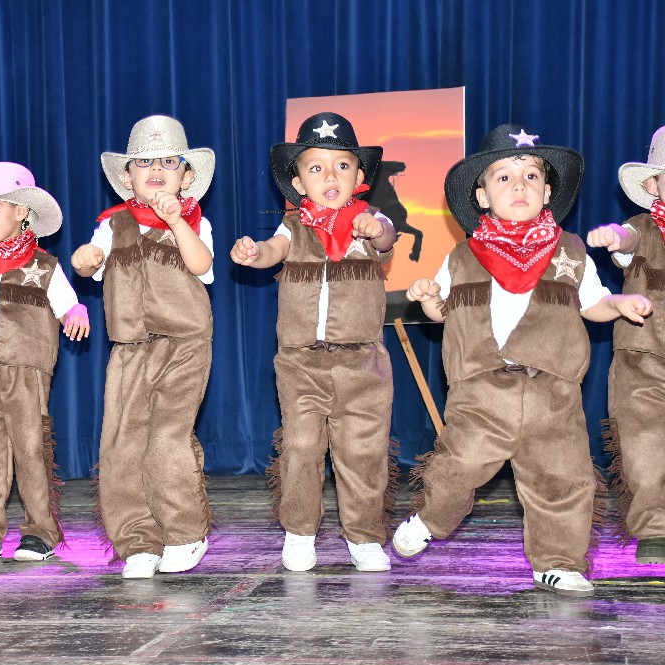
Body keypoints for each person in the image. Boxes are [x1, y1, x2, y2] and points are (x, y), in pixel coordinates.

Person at [396, 124, 653, 596]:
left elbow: (592, 304)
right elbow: (441, 313)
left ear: (548, 191)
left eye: (532, 176)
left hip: (553, 391)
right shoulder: (462, 255)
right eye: (504, 177)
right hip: (482, 388)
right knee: (458, 465)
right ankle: (431, 518)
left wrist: (619, 304)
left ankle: (557, 561)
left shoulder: (570, 251)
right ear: (482, 196)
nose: (520, 186)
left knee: (564, 478)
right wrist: (428, 297)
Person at [231, 111, 398, 573]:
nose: (330, 177)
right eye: (316, 167)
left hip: (362, 363)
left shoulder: (370, 219)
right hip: (301, 363)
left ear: (359, 178)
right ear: (298, 182)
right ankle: (300, 531)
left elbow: (387, 238)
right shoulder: (293, 226)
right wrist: (254, 253)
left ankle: (364, 537)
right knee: (301, 448)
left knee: (362, 452)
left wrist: (376, 231)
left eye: (342, 166)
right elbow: (273, 251)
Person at [71, 115, 214, 579]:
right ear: (127, 177)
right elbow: (89, 266)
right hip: (130, 348)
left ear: (185, 177)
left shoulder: (194, 221)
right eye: (144, 163)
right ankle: (138, 541)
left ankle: (185, 532)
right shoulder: (112, 225)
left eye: (169, 162)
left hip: (185, 344)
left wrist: (177, 222)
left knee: (167, 438)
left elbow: (202, 265)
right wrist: (85, 260)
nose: (156, 169)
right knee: (121, 446)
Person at [0, 162, 89, 563]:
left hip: (24, 368)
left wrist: (77, 312)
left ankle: (40, 531)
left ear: (22, 211)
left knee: (30, 449)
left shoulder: (43, 265)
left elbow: (68, 303)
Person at [586, 124, 665, 564]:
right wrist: (615, 237)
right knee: (643, 445)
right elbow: (627, 239)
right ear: (653, 186)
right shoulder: (642, 228)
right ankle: (655, 528)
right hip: (643, 358)